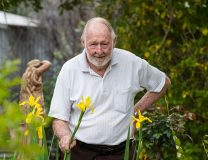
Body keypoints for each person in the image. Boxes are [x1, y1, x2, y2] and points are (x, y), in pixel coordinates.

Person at [48, 17, 171, 160]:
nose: (99, 51)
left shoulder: (131, 63)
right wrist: (65, 136)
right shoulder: (69, 69)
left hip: (121, 152)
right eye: (93, 44)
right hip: (79, 152)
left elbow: (163, 83)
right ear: (83, 42)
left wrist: (135, 112)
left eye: (104, 44)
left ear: (114, 42)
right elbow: (59, 118)